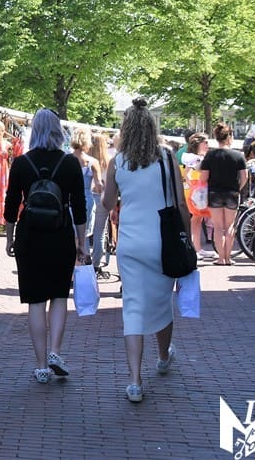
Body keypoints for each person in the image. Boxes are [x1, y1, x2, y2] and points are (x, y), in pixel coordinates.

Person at [101, 98, 189, 403]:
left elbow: (107, 203)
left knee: (133, 307)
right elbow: (181, 203)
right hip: (162, 241)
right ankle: (163, 356)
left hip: (130, 243)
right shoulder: (166, 158)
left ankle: (135, 381)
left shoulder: (118, 162)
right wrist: (188, 239)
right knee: (162, 302)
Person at [4, 109, 87, 384]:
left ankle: (40, 365)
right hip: (60, 234)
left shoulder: (21, 162)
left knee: (36, 300)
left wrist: (9, 238)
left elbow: (11, 205)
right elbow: (80, 207)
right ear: (58, 131)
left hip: (29, 235)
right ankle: (55, 351)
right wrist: (82, 242)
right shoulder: (70, 163)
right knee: (59, 296)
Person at [200, 123, 248, 266]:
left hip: (214, 193)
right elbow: (244, 177)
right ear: (229, 137)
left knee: (218, 227)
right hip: (232, 193)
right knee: (230, 226)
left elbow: (203, 177)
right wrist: (238, 189)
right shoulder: (238, 155)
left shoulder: (210, 155)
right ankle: (228, 258)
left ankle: (221, 258)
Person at [71, 127, 102, 259]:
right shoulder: (93, 162)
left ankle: (71, 264)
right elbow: (99, 186)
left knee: (70, 234)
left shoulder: (67, 159)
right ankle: (81, 262)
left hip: (70, 199)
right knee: (83, 236)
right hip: (87, 199)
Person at [180, 133, 213, 260]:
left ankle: (197, 248)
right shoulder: (194, 158)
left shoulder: (199, 157)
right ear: (198, 143)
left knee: (197, 220)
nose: (207, 145)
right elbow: (187, 174)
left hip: (199, 190)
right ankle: (194, 248)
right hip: (196, 191)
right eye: (205, 142)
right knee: (196, 219)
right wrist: (194, 187)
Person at [89, 132, 113, 272]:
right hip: (102, 197)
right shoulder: (109, 161)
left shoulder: (87, 160)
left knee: (85, 231)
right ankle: (96, 263)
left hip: (89, 195)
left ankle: (84, 260)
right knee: (100, 231)